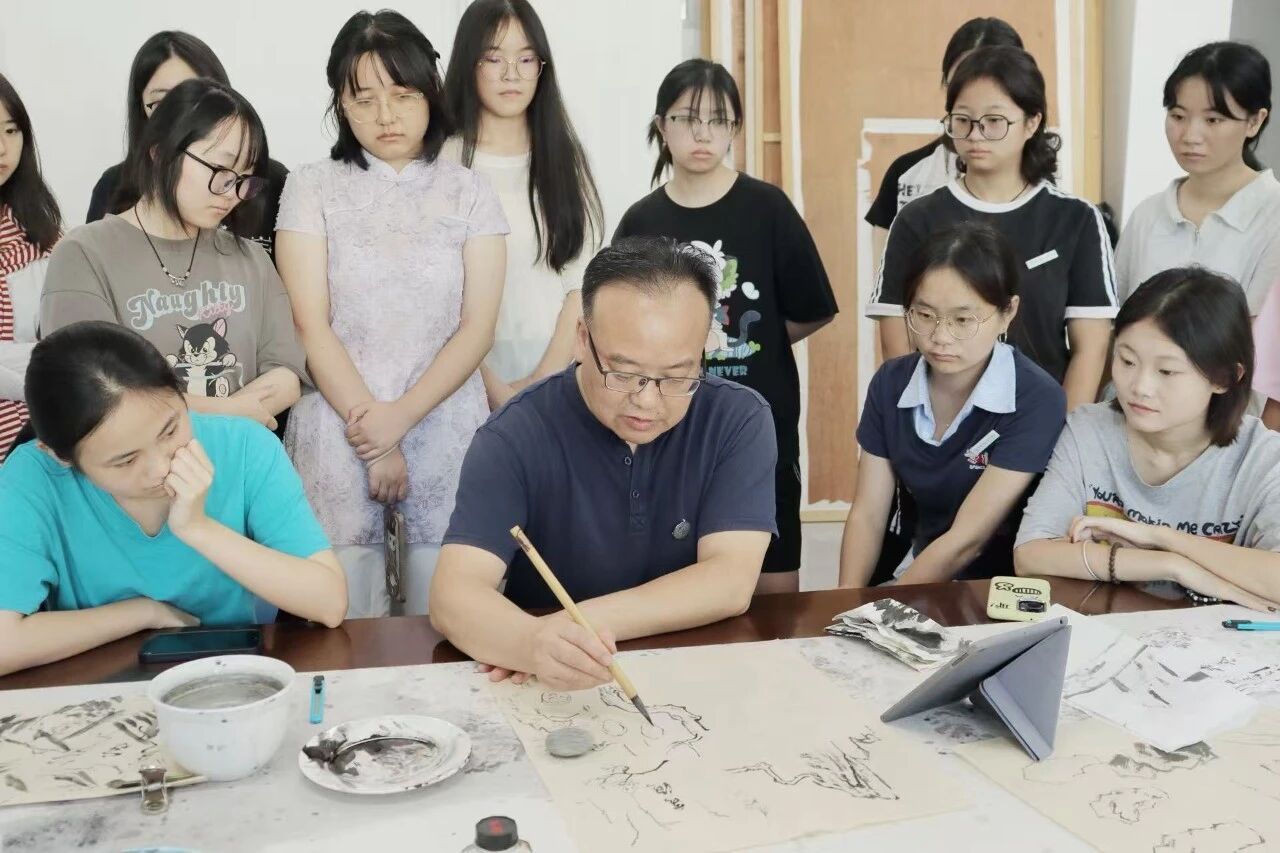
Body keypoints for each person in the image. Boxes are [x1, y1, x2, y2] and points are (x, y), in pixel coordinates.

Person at [430, 236, 777, 691]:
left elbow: (729, 581)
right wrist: (532, 644)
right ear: (582, 339)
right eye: (625, 373)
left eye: (677, 376)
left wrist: (562, 631)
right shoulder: (515, 433)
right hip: (554, 685)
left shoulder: (737, 418)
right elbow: (453, 595)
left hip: (695, 673)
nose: (647, 401)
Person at [278, 9, 507, 618]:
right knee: (342, 624)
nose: (386, 116)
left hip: (447, 429)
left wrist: (399, 420)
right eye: (364, 99)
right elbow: (308, 323)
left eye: (403, 96)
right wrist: (374, 439)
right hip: (339, 432)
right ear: (341, 103)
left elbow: (478, 328)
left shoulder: (471, 192)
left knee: (451, 623)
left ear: (430, 94)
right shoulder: (310, 187)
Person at [0, 322, 345, 678]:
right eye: (126, 461)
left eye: (170, 430)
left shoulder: (244, 446)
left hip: (226, 677)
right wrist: (142, 614)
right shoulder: (32, 477)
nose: (161, 468)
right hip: (92, 687)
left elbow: (328, 603)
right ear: (59, 455)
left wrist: (198, 528)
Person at [613, 59, 837, 596]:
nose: (703, 133)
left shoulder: (768, 208)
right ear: (661, 126)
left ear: (735, 128)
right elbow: (619, 325)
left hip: (761, 425)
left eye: (718, 120)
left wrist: (748, 345)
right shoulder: (641, 221)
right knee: (672, 580)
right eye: (687, 119)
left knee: (773, 585)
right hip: (666, 428)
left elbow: (813, 307)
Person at [41, 78, 306, 433]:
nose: (232, 193)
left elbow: (286, 376)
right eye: (221, 171)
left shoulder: (251, 258)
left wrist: (217, 418)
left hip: (240, 459)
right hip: (140, 464)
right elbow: (91, 389)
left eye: (245, 179)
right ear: (160, 152)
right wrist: (229, 413)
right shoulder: (83, 254)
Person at [862, 17, 1024, 585]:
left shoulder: (1056, 202)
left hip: (1010, 408)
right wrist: (911, 390)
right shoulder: (910, 178)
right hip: (927, 392)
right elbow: (892, 300)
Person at [1015, 267, 1280, 612]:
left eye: (1166, 371)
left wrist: (1161, 537)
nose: (1139, 386)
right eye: (1127, 360)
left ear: (1226, 377)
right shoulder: (1089, 430)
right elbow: (1031, 555)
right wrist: (1171, 564)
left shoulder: (1262, 459)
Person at [867, 45, 1116, 412]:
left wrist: (1061, 433)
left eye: (994, 121)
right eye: (963, 120)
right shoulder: (917, 218)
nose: (976, 134)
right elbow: (898, 344)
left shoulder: (1075, 219)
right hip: (939, 424)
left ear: (1032, 122)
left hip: (1040, 424)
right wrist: (921, 427)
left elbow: (1091, 348)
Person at [839, 223, 1065, 586]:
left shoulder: (1036, 397)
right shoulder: (891, 383)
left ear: (1008, 312)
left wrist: (888, 607)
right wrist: (846, 601)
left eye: (963, 320)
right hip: (912, 568)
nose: (940, 337)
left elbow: (968, 540)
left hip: (995, 588)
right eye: (924, 315)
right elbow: (868, 514)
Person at [442, 0, 603, 409]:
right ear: (469, 64)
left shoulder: (564, 156)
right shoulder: (445, 161)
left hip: (560, 382)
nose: (511, 74)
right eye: (494, 58)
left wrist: (540, 381)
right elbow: (436, 297)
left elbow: (580, 284)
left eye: (526, 59)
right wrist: (496, 392)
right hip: (462, 386)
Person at [866, 16, 1024, 327]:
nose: (976, 92)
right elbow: (890, 299)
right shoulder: (907, 174)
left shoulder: (1051, 189)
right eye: (962, 80)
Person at [87, 31, 290, 257]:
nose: (179, 115)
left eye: (196, 98)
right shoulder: (113, 186)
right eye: (161, 102)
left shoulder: (271, 181)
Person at [1115, 42, 1276, 312]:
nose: (1190, 136)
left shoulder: (1273, 217)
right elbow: (1116, 318)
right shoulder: (1147, 215)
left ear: (1254, 122)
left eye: (1213, 120)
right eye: (1178, 116)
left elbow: (1263, 331)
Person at [0, 73, 60, 463]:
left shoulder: (42, 233)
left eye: (11, 130)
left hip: (37, 438)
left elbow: (65, 350)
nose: (3, 148)